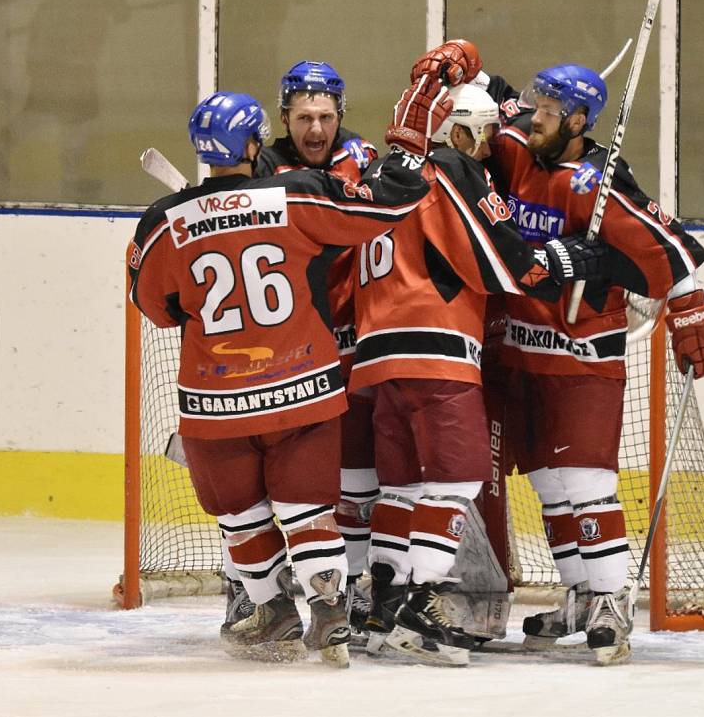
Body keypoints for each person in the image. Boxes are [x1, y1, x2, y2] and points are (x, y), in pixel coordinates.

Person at [411, 42, 704, 665]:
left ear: (581, 121)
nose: (536, 116)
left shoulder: (597, 182)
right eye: (537, 105)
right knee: (552, 484)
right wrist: (460, 73)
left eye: (551, 110)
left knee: (585, 480)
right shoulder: (513, 147)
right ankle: (580, 595)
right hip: (518, 352)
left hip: (582, 353)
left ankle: (610, 602)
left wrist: (690, 309)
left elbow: (671, 247)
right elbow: (452, 124)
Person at [127, 82, 453, 667]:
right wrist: (408, 139)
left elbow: (156, 307)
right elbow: (389, 204)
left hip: (215, 404)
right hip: (300, 391)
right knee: (309, 511)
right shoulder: (296, 194)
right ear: (258, 141)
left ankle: (270, 606)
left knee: (240, 514)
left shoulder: (161, 221)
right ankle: (329, 614)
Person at [349, 79, 608, 666]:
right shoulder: (454, 169)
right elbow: (502, 259)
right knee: (460, 476)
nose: (492, 146)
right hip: (434, 345)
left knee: (403, 486)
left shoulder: (384, 177)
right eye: (485, 132)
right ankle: (422, 602)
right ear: (455, 131)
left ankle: (381, 604)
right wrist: (565, 260)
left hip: (376, 354)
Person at [219, 61, 380, 640]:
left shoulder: (361, 159)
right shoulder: (258, 162)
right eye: (305, 117)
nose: (317, 128)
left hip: (347, 340)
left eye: (327, 117)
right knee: (243, 477)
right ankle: (248, 588)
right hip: (277, 352)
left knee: (354, 475)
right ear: (284, 116)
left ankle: (351, 590)